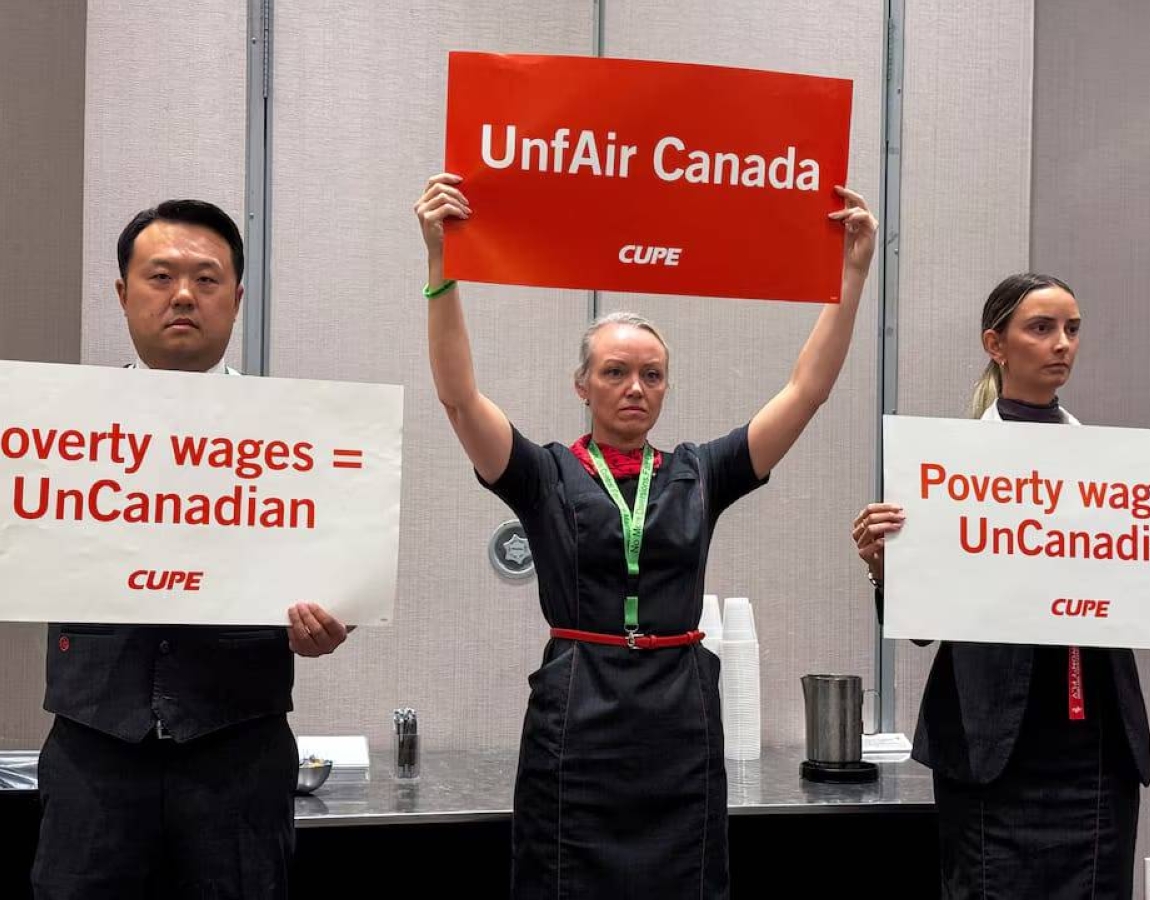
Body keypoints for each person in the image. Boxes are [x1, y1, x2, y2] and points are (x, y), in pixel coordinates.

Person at [415, 171, 877, 898]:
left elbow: (806, 391)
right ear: (582, 385)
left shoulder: (702, 472)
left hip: (679, 718)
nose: (636, 387)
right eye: (616, 372)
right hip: (579, 712)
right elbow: (458, 396)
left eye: (652, 375)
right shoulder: (542, 474)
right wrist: (441, 263)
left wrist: (851, 276)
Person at [30, 199, 351, 900]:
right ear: (123, 294)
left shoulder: (299, 439)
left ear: (237, 299)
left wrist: (333, 613)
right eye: (161, 276)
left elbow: (336, 569)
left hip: (240, 753)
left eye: (206, 279)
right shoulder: (53, 429)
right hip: (92, 749)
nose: (183, 295)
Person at [852, 273, 1150, 899]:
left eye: (1072, 329)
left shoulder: (1118, 469)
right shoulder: (945, 466)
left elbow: (1146, 589)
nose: (1062, 344)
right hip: (990, 741)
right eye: (1041, 328)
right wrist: (886, 569)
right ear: (996, 344)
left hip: (1095, 741)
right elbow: (922, 630)